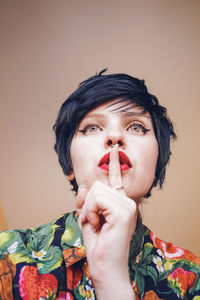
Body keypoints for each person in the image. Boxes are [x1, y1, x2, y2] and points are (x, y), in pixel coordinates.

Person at [0, 70, 199, 300]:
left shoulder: (191, 280)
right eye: (92, 127)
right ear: (69, 167)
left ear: (157, 166)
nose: (114, 136)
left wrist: (112, 281)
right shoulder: (9, 254)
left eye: (136, 126)